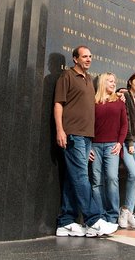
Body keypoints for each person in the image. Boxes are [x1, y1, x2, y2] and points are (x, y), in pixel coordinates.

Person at [54, 45, 118, 237]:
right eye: (84, 57)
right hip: (72, 134)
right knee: (81, 177)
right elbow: (58, 104)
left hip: (86, 137)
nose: (88, 59)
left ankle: (65, 222)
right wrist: (60, 130)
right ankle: (93, 220)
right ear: (75, 59)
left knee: (71, 179)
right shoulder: (67, 76)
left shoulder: (89, 80)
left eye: (90, 56)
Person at [90, 73, 127, 225]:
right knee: (96, 182)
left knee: (112, 178)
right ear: (103, 82)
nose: (113, 84)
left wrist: (119, 143)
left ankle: (112, 216)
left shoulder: (119, 102)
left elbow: (124, 124)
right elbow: (87, 125)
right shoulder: (92, 102)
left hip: (112, 146)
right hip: (95, 147)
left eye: (114, 81)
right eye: (110, 81)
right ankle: (99, 216)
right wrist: (87, 147)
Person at [118, 73, 135, 229]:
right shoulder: (126, 95)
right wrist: (128, 142)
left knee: (133, 178)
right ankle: (123, 210)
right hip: (128, 142)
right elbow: (126, 120)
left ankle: (129, 212)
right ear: (130, 82)